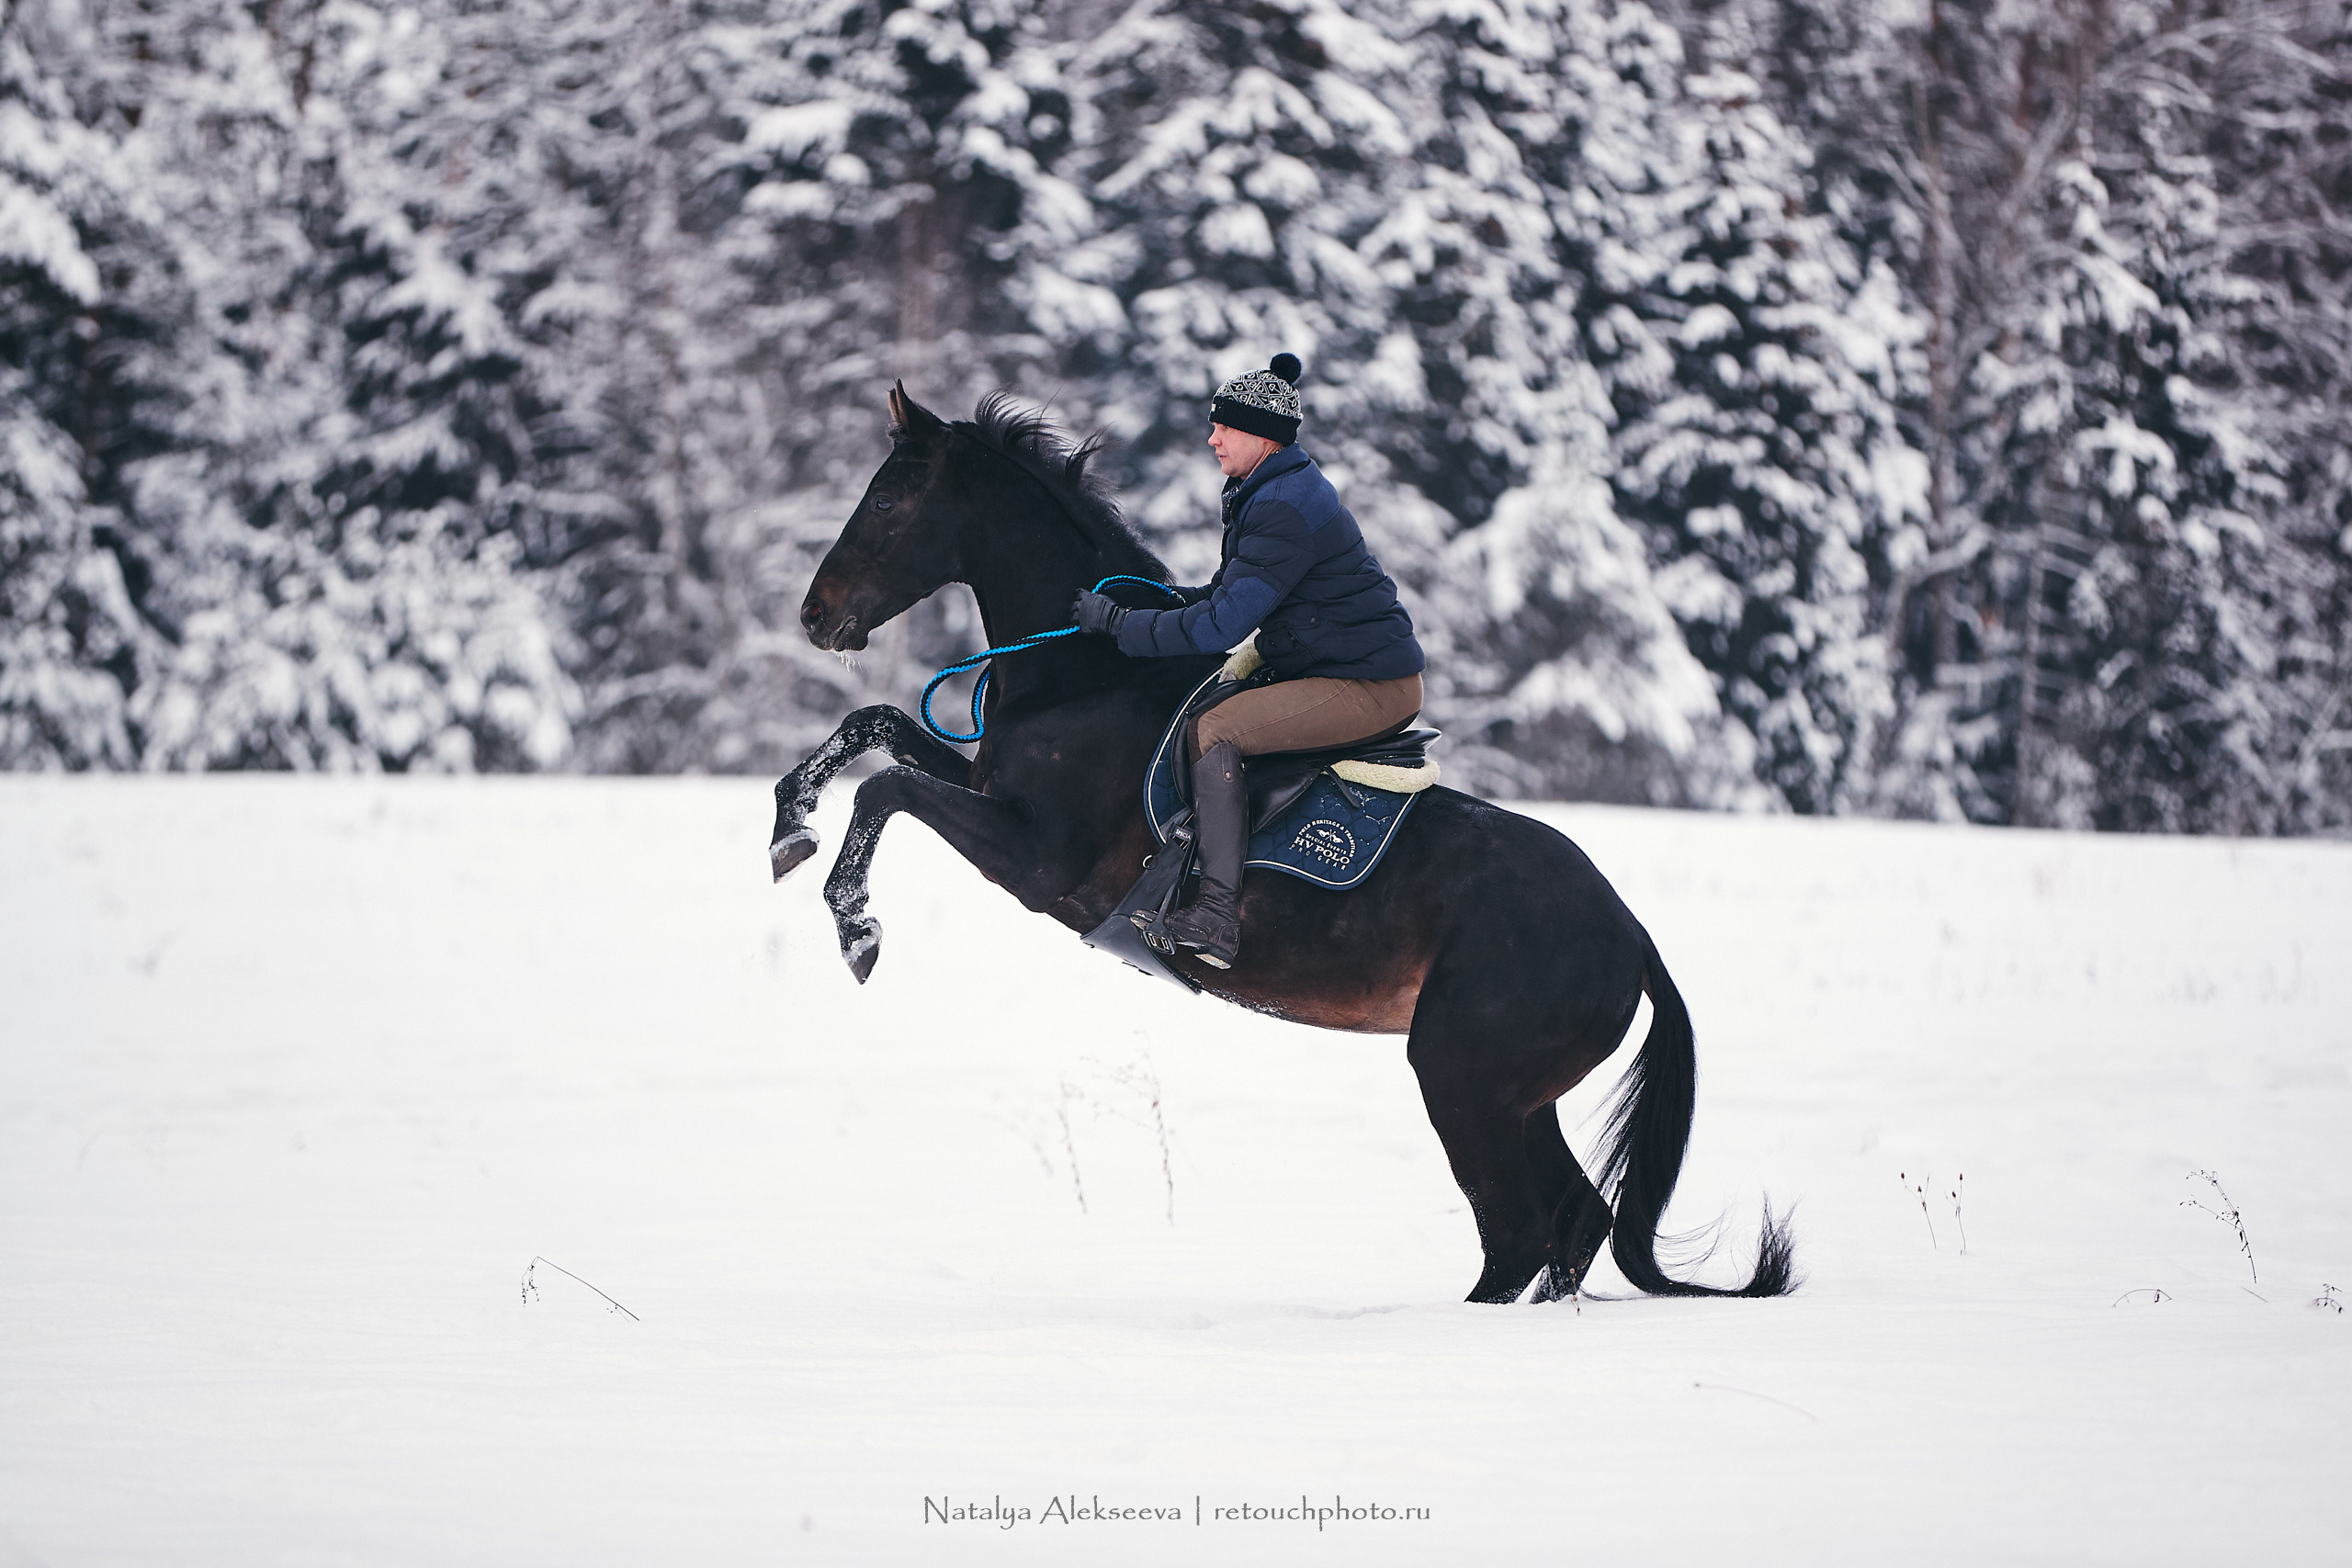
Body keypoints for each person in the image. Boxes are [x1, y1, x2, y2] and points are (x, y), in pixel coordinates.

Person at [1069, 353, 1426, 969]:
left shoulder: (1281, 506)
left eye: (1224, 427)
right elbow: (1225, 598)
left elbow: (1222, 627)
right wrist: (1144, 605)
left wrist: (1124, 628)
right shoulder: (1266, 490)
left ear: (1261, 434)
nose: (1212, 438)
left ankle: (1215, 918)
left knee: (1217, 729)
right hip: (1337, 665)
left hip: (1370, 684)